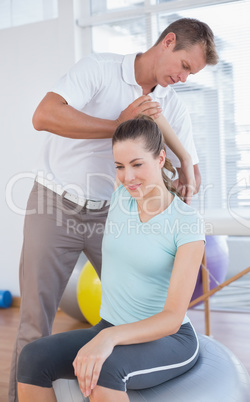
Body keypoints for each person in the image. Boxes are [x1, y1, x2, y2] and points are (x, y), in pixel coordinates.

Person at [9, 17, 218, 401]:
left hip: (113, 212)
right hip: (56, 201)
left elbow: (186, 172)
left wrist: (187, 162)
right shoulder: (100, 69)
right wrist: (117, 124)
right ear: (168, 42)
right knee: (35, 326)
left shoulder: (170, 107)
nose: (185, 78)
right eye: (185, 66)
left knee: (139, 309)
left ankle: (129, 375)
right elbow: (44, 116)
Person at [17, 116, 205, 402]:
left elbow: (172, 319)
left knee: (107, 370)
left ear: (160, 158)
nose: (128, 176)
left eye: (137, 164)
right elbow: (146, 117)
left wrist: (187, 157)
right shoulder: (120, 198)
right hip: (112, 326)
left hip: (168, 338)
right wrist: (107, 334)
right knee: (32, 357)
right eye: (120, 166)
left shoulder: (187, 221)